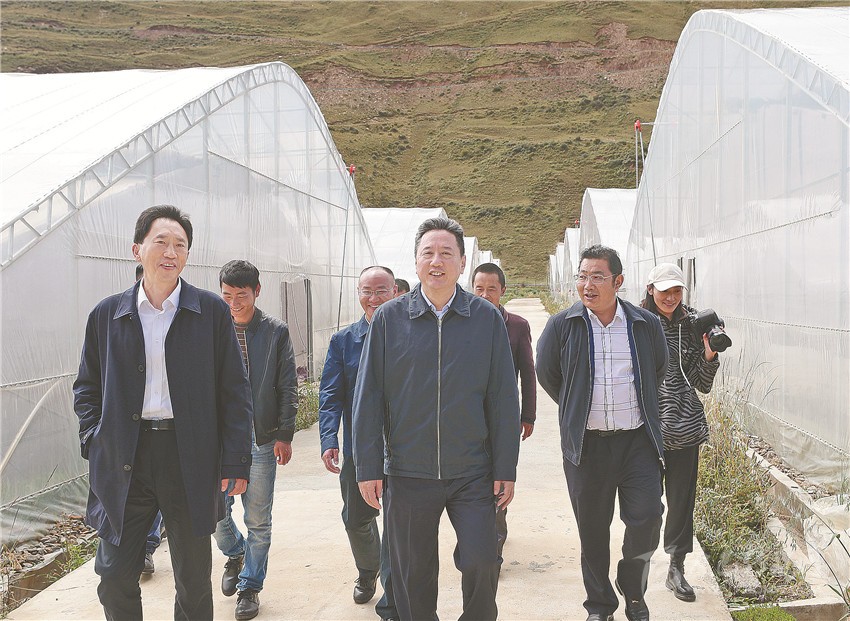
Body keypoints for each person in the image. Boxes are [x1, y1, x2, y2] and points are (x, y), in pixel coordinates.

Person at [74, 205, 253, 620]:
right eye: (161, 242)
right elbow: (87, 386)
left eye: (180, 245)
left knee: (192, 579)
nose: (171, 252)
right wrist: (94, 439)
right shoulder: (107, 314)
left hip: (188, 454)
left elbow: (235, 391)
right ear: (137, 249)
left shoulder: (210, 312)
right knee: (114, 575)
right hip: (126, 456)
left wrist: (235, 460)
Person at [353, 217, 520, 621]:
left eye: (447, 253)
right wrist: (368, 467)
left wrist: (505, 467)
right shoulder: (390, 319)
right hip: (408, 471)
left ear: (462, 263)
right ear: (415, 262)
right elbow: (369, 397)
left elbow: (503, 398)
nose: (436, 261)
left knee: (482, 560)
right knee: (412, 575)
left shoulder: (486, 318)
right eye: (428, 252)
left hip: (473, 470)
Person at [536, 244, 668, 621]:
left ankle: (632, 585)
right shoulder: (562, 325)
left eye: (597, 277)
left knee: (647, 518)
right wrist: (577, 404)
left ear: (618, 281)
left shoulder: (645, 324)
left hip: (637, 443)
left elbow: (656, 370)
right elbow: (547, 373)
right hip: (587, 446)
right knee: (593, 531)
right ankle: (600, 606)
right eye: (582, 276)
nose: (587, 285)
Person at [214, 260, 299, 620]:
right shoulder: (213, 327)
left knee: (258, 520)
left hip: (260, 438)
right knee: (215, 513)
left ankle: (249, 587)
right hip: (219, 440)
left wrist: (284, 433)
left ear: (257, 292)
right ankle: (236, 552)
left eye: (241, 296)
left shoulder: (275, 331)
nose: (234, 303)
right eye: (227, 296)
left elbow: (287, 385)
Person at [319, 266, 399, 620]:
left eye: (381, 290)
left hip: (402, 449)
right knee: (356, 518)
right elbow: (330, 394)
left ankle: (393, 591)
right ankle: (368, 570)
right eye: (367, 291)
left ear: (395, 292)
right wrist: (328, 438)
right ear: (358, 293)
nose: (373, 298)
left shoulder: (409, 336)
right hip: (359, 449)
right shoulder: (344, 341)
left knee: (398, 525)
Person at [641, 263, 719, 603]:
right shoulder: (636, 323)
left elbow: (702, 383)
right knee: (644, 506)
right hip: (645, 432)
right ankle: (638, 562)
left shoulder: (692, 326)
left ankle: (676, 567)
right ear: (650, 290)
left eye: (676, 291)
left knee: (681, 504)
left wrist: (709, 354)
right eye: (664, 291)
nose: (671, 297)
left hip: (685, 430)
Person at [471, 262, 536, 557]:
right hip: (470, 416)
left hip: (504, 417)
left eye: (491, 289)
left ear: (503, 291)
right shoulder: (464, 322)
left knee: (501, 475)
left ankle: (495, 544)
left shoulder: (517, 326)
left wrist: (528, 415)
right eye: (479, 289)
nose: (485, 295)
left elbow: (528, 373)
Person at [133, 262, 163, 578]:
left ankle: (149, 545)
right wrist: (93, 437)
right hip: (135, 431)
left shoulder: (181, 319)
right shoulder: (120, 318)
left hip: (172, 430)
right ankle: (144, 547)